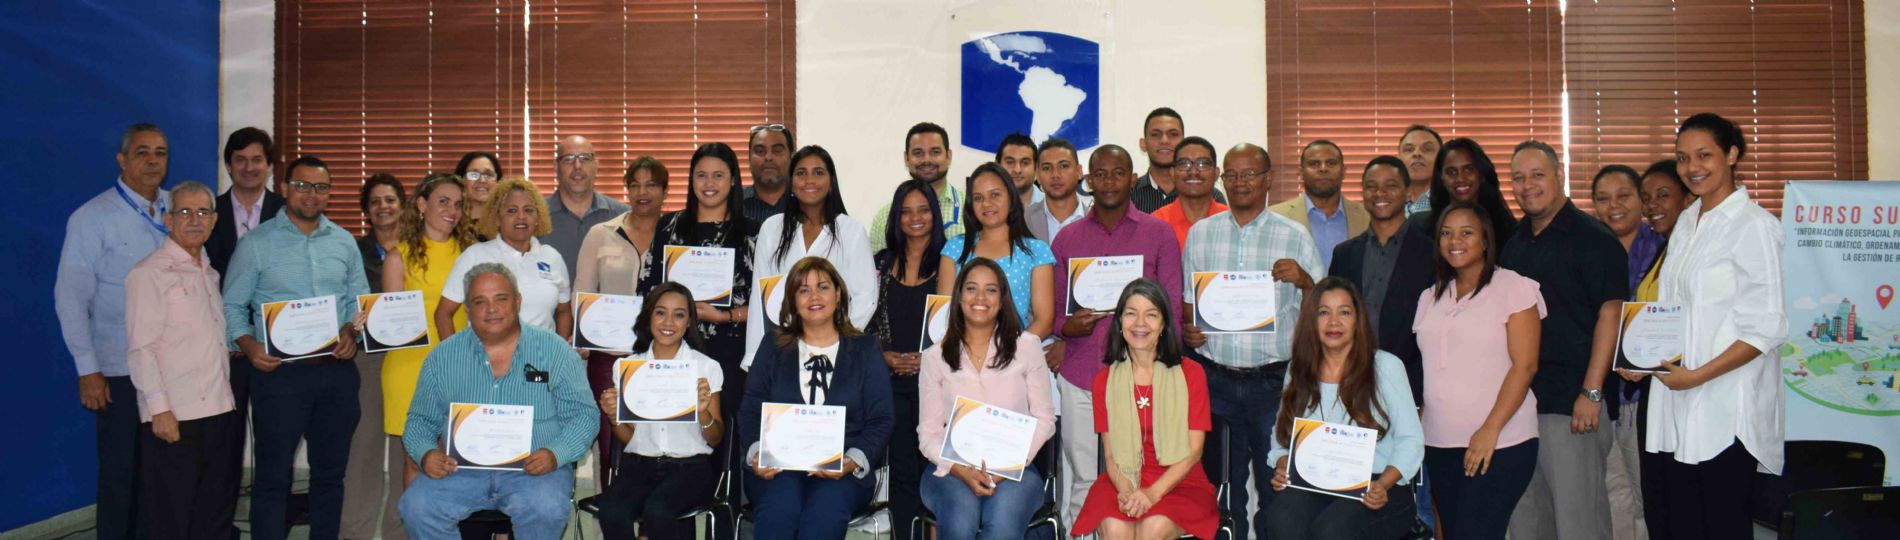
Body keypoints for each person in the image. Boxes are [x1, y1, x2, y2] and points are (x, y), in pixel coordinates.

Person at [1635, 112, 1787, 539]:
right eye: (1683, 158)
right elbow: (1674, 309)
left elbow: (1767, 328)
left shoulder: (1755, 227)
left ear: (1732, 155)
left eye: (1704, 155)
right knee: (1679, 526)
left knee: (1721, 527)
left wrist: (1697, 377)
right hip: (1678, 401)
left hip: (1725, 406)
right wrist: (1643, 361)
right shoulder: (1687, 221)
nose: (1692, 168)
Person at [1181, 142, 1324, 540]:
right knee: (1218, 489)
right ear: (1221, 180)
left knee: (1275, 486)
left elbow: (1324, 314)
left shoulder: (1294, 236)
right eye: (1232, 174)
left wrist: (1306, 281)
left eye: (1250, 174)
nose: (1240, 182)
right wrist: (1190, 330)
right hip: (1214, 382)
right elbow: (1189, 306)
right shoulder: (1201, 234)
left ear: (1268, 179)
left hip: (1274, 384)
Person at [223, 155, 371, 540]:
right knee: (273, 478)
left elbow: (360, 302)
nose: (311, 194)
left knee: (329, 475)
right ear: (285, 188)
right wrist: (249, 345)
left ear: (330, 194)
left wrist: (350, 334)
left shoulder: (343, 242)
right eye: (303, 185)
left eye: (321, 187)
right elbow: (231, 305)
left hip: (335, 372)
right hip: (278, 375)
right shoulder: (256, 244)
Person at [397, 263, 598, 540]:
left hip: (535, 471)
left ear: (517, 301)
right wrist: (426, 453)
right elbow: (419, 420)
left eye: (500, 299)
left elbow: (584, 416)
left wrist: (556, 454)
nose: (491, 309)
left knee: (546, 508)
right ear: (467, 309)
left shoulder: (555, 351)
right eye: (480, 302)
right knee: (417, 506)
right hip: (460, 472)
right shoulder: (442, 357)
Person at [1050, 145, 1184, 533]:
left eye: (1119, 172)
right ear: (1088, 181)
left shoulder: (1158, 233)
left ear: (1132, 177)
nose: (1109, 181)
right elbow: (1054, 313)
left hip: (1143, 379)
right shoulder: (1067, 239)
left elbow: (1171, 307)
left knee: (1136, 478)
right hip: (1082, 376)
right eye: (1100, 174)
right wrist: (1067, 326)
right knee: (1082, 480)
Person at [1501, 141, 1627, 540]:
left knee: (1579, 524)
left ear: (1560, 176)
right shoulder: (1514, 241)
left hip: (1572, 408)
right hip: (1520, 406)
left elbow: (1611, 313)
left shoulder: (1593, 237)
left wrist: (1591, 393)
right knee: (1526, 522)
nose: (1527, 185)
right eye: (1518, 178)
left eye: (1537, 174)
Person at [55, 122, 170, 540]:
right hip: (118, 370)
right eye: (142, 152)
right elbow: (70, 298)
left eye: (160, 152)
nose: (153, 160)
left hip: (172, 370)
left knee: (161, 478)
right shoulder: (92, 217)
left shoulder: (179, 211)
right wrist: (88, 369)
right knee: (122, 476)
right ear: (122, 160)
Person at [739, 257, 895, 540]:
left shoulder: (865, 349)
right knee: (779, 510)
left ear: (838, 294)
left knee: (824, 513)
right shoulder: (772, 346)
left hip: (843, 470)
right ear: (793, 301)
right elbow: (750, 410)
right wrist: (755, 452)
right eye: (803, 290)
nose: (814, 296)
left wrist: (852, 461)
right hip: (778, 466)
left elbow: (881, 418)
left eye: (822, 287)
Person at [1414, 202, 1543, 540]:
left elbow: (1525, 365)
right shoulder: (1430, 297)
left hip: (1500, 441)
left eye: (1466, 232)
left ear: (1486, 240)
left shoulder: (1513, 287)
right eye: (1446, 233)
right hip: (1439, 442)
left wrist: (1490, 430)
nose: (1455, 240)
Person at [1264, 278, 1425, 540]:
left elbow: (1411, 440)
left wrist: (1383, 484)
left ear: (1357, 320)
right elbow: (1281, 436)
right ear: (1311, 321)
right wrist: (1283, 465)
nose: (1334, 322)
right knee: (1280, 519)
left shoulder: (1385, 366)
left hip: (1379, 484)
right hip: (1313, 482)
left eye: (1345, 312)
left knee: (1333, 530)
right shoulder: (1299, 369)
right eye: (1324, 312)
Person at [125, 181, 240, 540]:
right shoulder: (148, 274)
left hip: (219, 411)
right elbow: (141, 348)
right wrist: (159, 410)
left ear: (214, 220)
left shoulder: (210, 273)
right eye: (185, 212)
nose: (195, 220)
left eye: (203, 212)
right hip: (175, 417)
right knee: (171, 519)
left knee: (214, 514)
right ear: (168, 219)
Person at [917, 258, 1057, 540]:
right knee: (959, 519)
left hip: (1015, 472)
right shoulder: (934, 357)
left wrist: (1008, 465)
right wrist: (959, 470)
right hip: (951, 471)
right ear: (958, 298)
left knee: (1003, 523)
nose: (980, 298)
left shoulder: (1026, 347)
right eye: (971, 289)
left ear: (1002, 299)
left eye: (991, 290)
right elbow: (928, 434)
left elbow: (1045, 419)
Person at [1072, 278, 1217, 539]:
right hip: (1123, 478)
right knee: (1116, 528)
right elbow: (1111, 456)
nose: (1140, 323)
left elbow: (1195, 451)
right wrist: (1127, 491)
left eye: (1151, 315)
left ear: (1163, 325)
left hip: (1181, 482)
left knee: (1153, 527)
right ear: (1119, 323)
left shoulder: (1191, 373)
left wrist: (1152, 493)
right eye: (1131, 314)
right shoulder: (1104, 382)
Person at [640, 142, 757, 442]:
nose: (708, 184)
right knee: (671, 434)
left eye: (718, 175)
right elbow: (647, 290)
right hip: (672, 351)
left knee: (721, 438)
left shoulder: (753, 233)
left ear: (733, 180)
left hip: (731, 352)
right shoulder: (669, 226)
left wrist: (724, 316)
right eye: (700, 175)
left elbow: (766, 304)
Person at [592, 282, 726, 540]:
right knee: (611, 510)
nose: (669, 322)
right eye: (660, 312)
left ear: (689, 322)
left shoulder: (705, 367)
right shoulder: (627, 367)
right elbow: (628, 438)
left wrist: (702, 412)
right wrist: (612, 416)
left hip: (690, 468)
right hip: (639, 466)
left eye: (679, 315)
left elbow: (716, 437)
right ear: (648, 316)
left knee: (658, 510)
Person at [1586, 163, 1670, 540]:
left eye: (1624, 196)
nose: (1613, 206)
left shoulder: (1669, 251)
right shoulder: (1587, 252)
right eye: (1603, 199)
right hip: (1600, 398)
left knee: (1651, 496)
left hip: (1651, 395)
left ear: (1641, 201)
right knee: (1611, 496)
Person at [575, 156, 671, 485]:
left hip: (663, 356)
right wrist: (582, 340)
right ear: (626, 189)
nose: (643, 192)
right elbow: (582, 295)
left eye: (652, 184)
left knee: (658, 444)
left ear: (665, 191)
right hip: (609, 357)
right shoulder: (601, 234)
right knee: (610, 443)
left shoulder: (678, 233)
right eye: (635, 184)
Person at [377, 173, 476, 488]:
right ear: (421, 205)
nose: (452, 210)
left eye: (458, 204)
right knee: (417, 460)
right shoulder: (399, 256)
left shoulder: (472, 253)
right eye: (443, 201)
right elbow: (391, 325)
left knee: (462, 460)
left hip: (461, 367)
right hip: (410, 369)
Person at [747, 145, 878, 367]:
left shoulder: (851, 230)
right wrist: (755, 358)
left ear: (831, 182)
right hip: (782, 351)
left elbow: (866, 297)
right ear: (791, 182)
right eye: (801, 173)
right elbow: (760, 299)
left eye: (818, 172)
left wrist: (830, 339)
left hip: (836, 351)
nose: (809, 180)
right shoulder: (771, 228)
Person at [869, 179, 949, 540]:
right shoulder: (880, 264)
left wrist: (929, 359)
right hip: (891, 385)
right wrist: (882, 355)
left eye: (923, 210)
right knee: (901, 473)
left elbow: (960, 325)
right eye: (906, 211)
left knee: (935, 470)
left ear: (935, 214)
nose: (915, 218)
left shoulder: (950, 261)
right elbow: (863, 321)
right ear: (895, 218)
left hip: (937, 385)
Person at [1329, 156, 1434, 404]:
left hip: (1413, 384)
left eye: (1391, 185)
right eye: (1371, 186)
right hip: (1352, 381)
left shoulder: (1432, 253)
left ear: (1408, 192)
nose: (1380, 193)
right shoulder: (1344, 253)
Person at [345, 173, 410, 540]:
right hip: (367, 358)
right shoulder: (352, 250)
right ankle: (355, 531)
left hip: (409, 359)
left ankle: (398, 532)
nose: (383, 207)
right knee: (364, 447)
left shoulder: (418, 249)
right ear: (366, 211)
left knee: (406, 450)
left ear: (402, 205)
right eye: (375, 202)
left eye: (390, 200)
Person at [439, 176, 573, 339]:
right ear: (497, 218)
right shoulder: (475, 255)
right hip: (486, 359)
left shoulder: (552, 257)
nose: (521, 217)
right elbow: (443, 314)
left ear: (538, 217)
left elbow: (564, 311)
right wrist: (455, 359)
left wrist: (561, 352)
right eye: (512, 210)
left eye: (529, 210)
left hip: (543, 360)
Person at [938, 162, 1056, 338]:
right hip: (962, 355)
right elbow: (944, 317)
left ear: (1010, 197)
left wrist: (1009, 354)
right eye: (978, 198)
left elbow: (1044, 321)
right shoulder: (955, 249)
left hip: (1017, 356)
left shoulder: (1037, 252)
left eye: (995, 195)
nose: (987, 204)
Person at [1406, 137, 1518, 256]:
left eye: (1468, 169)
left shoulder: (1507, 229)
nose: (1460, 178)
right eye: (1452, 172)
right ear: (1442, 178)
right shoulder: (1420, 227)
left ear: (1481, 173)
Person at [1269, 140, 1370, 269]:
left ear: (1343, 172)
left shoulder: (1367, 216)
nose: (1323, 169)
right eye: (1314, 164)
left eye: (1331, 163)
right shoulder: (1276, 216)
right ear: (1301, 173)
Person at [544, 135, 631, 279]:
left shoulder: (624, 217)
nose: (577, 166)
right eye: (568, 159)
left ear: (596, 165)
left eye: (585, 158)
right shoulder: (535, 217)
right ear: (556, 167)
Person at [871, 122, 965, 251]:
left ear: (949, 156)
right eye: (918, 153)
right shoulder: (885, 217)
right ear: (906, 158)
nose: (927, 160)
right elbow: (876, 269)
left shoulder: (970, 208)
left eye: (935, 152)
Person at [210, 126, 286, 279]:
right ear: (228, 166)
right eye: (240, 160)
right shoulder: (210, 212)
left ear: (269, 166)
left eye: (257, 160)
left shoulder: (286, 212)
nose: (249, 168)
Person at [1131, 107, 1225, 212]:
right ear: (1143, 144)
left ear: (1183, 143)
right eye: (1155, 134)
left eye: (1173, 134)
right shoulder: (1129, 195)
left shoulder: (1213, 196)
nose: (1164, 141)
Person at [1148, 137, 1227, 247]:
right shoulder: (1155, 224)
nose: (1193, 172)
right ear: (1172, 173)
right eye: (1184, 164)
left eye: (1202, 164)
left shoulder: (1232, 221)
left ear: (1216, 173)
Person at [1024, 137, 1093, 243]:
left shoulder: (1097, 221)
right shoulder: (1022, 221)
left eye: (1064, 166)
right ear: (1037, 175)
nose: (1055, 175)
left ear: (1079, 172)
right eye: (1047, 168)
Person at [743, 124, 795, 223]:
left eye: (777, 151)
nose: (768, 157)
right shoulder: (730, 205)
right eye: (760, 151)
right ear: (749, 158)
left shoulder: (806, 205)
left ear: (791, 158)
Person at [1639, 159, 1692, 240]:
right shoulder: (1663, 249)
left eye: (1663, 195)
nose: (1651, 205)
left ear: (1688, 200)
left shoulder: (1704, 247)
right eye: (1646, 199)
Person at [1397, 125, 1442, 217]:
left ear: (1441, 159)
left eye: (1427, 149)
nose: (1417, 153)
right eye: (1409, 150)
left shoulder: (1450, 204)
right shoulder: (1387, 205)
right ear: (1399, 159)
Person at [455, 151, 503, 234]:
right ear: (461, 180)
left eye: (488, 175)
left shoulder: (507, 224)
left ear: (498, 181)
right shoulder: (450, 223)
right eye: (473, 175)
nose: (482, 180)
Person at [996, 132, 1045, 208]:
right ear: (997, 165)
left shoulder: (1054, 209)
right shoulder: (981, 208)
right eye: (1010, 162)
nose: (1017, 170)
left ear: (1036, 167)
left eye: (1025, 163)